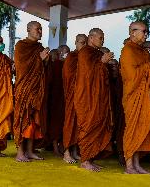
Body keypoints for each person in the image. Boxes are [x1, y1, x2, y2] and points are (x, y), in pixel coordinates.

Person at [120, 21, 150, 174]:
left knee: (142, 129)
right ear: (132, 33)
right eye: (144, 31)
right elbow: (131, 77)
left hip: (145, 96)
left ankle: (137, 164)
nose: (146, 34)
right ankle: (129, 165)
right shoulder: (127, 50)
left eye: (147, 31)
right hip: (134, 96)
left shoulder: (143, 51)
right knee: (132, 129)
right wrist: (149, 65)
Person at [74, 28, 114, 172]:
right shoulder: (85, 52)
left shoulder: (97, 53)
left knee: (97, 126)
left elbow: (102, 75)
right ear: (91, 38)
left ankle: (91, 159)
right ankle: (85, 160)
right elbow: (88, 73)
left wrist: (104, 62)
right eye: (100, 38)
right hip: (87, 97)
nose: (102, 40)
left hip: (98, 97)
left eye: (103, 38)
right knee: (88, 126)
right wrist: (101, 62)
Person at [14, 21, 49, 162]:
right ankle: (20, 153)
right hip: (24, 89)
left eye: (41, 29)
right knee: (23, 119)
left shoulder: (39, 47)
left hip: (36, 90)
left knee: (33, 121)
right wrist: (39, 59)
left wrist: (45, 61)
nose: (40, 31)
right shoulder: (21, 46)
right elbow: (21, 67)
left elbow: (43, 69)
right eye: (37, 29)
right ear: (28, 30)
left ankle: (29, 150)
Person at [62, 34, 87, 163]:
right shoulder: (72, 57)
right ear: (76, 43)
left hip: (83, 96)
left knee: (79, 124)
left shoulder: (85, 57)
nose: (83, 45)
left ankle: (75, 151)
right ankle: (66, 152)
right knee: (70, 123)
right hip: (73, 94)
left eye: (85, 43)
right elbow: (68, 76)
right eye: (81, 43)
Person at [47, 46, 68, 156]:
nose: (67, 55)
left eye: (68, 52)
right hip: (56, 97)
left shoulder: (67, 64)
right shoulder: (56, 65)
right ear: (60, 53)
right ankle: (55, 147)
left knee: (65, 123)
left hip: (66, 98)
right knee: (56, 123)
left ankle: (62, 146)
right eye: (65, 53)